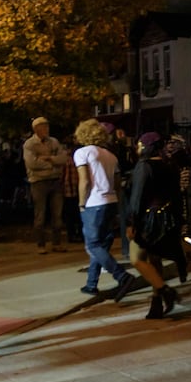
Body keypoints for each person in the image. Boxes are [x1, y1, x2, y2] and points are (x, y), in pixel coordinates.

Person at [122, 132, 187, 318]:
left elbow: (137, 197)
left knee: (137, 258)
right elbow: (177, 194)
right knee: (154, 259)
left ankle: (165, 291)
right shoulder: (170, 165)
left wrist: (131, 222)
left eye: (140, 145)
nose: (138, 148)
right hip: (167, 218)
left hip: (149, 218)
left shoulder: (144, 166)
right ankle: (156, 302)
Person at [73, 119, 135, 297]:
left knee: (92, 245)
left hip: (94, 202)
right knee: (101, 245)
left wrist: (81, 203)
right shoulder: (111, 156)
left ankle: (121, 276)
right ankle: (91, 283)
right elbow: (117, 184)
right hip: (111, 201)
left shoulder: (82, 153)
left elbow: (84, 181)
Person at [23, 116, 70, 254]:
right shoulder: (29, 144)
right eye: (44, 127)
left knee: (57, 214)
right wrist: (53, 164)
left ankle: (56, 243)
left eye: (47, 126)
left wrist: (49, 158)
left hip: (55, 180)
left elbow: (63, 158)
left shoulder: (54, 141)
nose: (47, 129)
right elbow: (32, 164)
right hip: (38, 182)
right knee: (40, 214)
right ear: (36, 129)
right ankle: (40, 244)